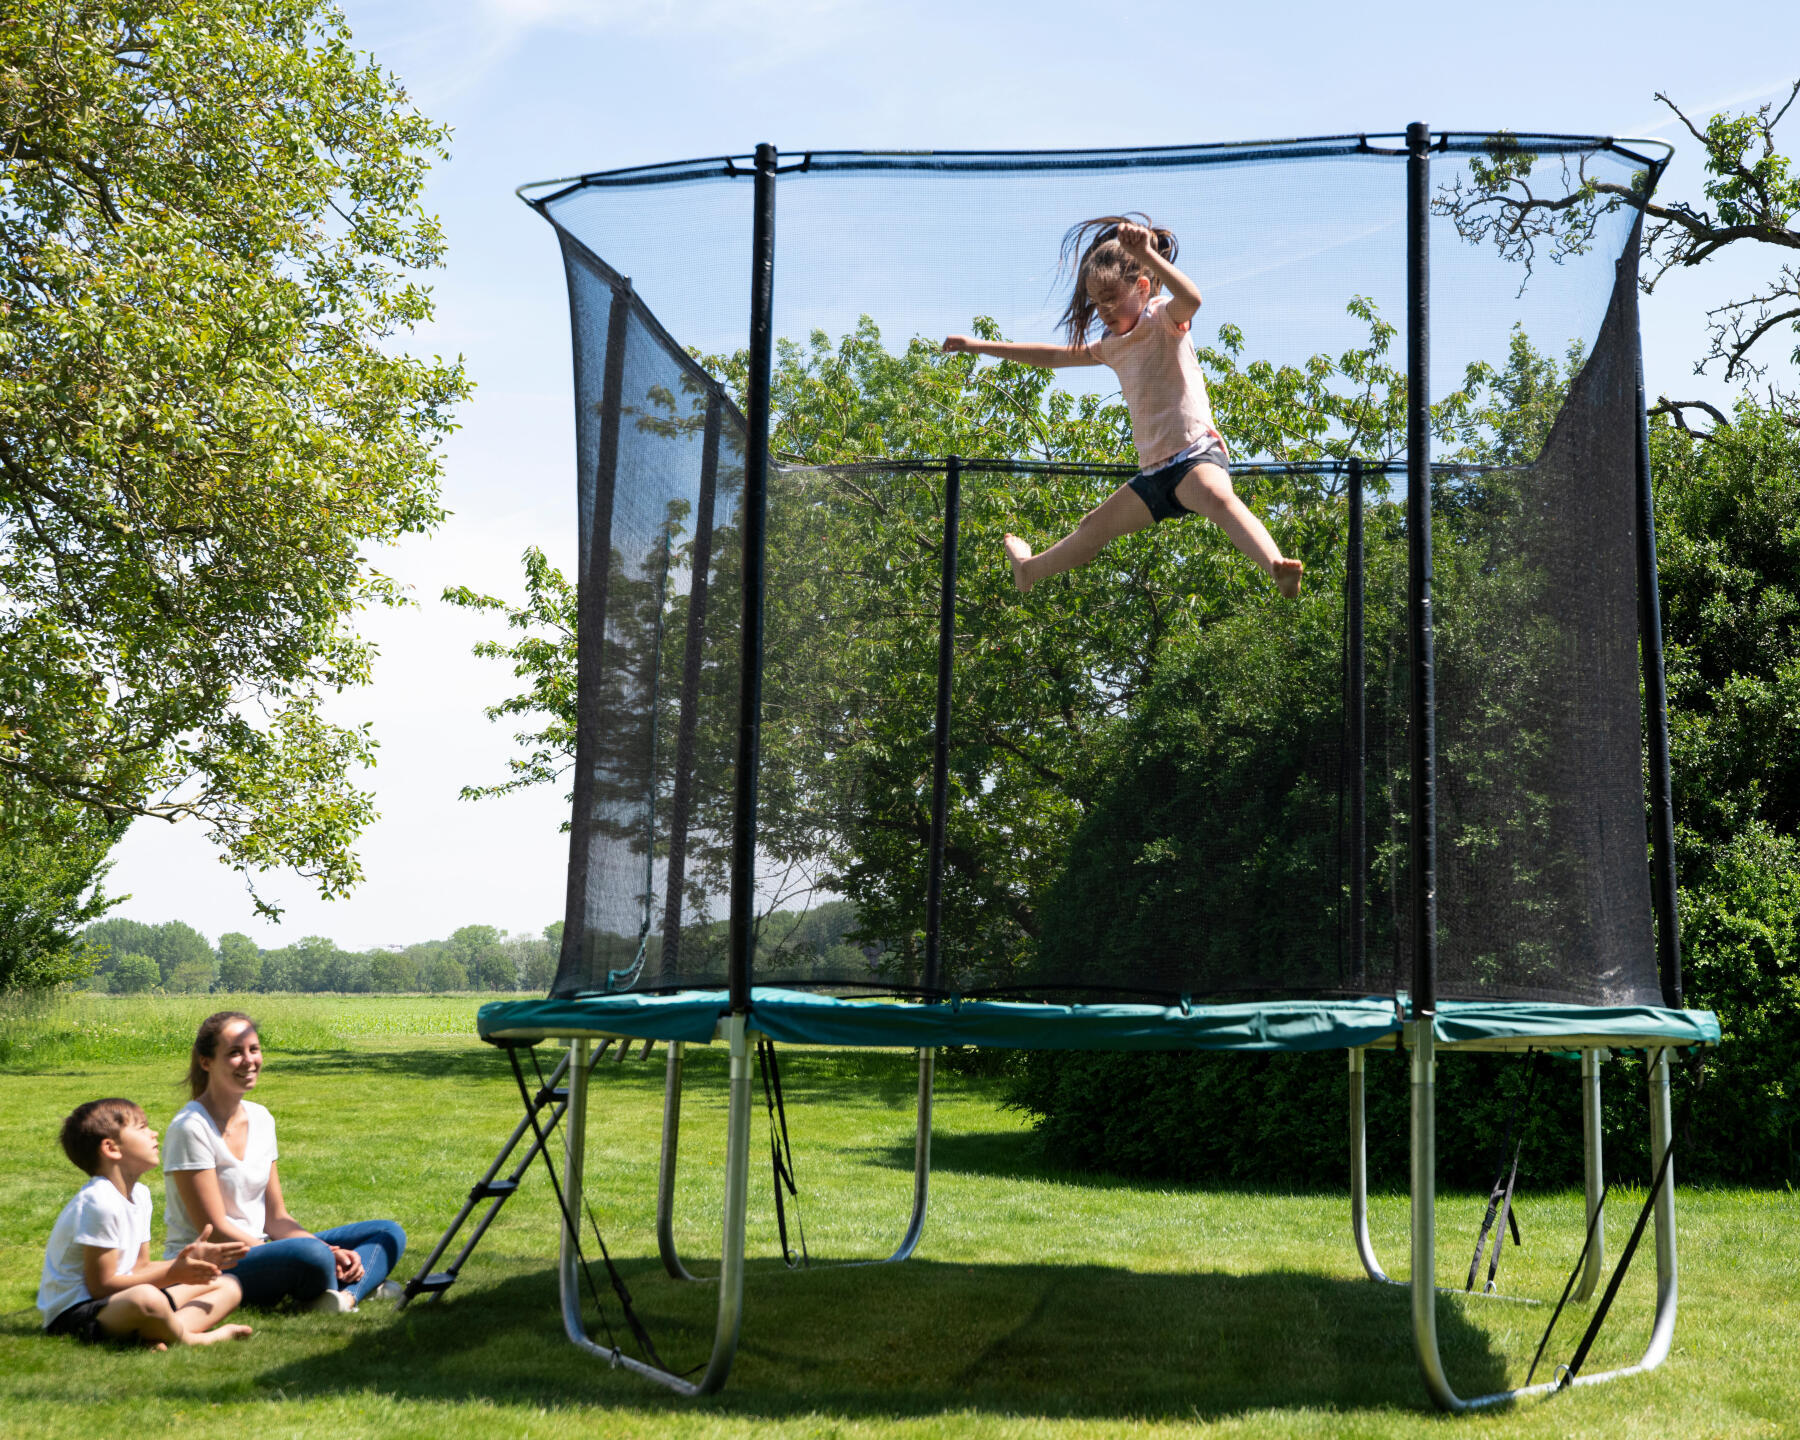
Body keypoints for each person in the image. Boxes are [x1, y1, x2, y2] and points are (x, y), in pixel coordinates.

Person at [943, 215, 1304, 598]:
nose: (1105, 310)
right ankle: (1029, 570)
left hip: (1194, 456)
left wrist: (1146, 252)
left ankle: (1275, 566)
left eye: (1112, 298)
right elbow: (1051, 356)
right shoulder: (1111, 346)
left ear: (1143, 287)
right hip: (1153, 475)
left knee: (1219, 499)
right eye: (1098, 303)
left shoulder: (1163, 318)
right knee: (1092, 529)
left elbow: (1193, 299)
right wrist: (978, 345)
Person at [162, 1011, 407, 1313]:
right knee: (309, 1255)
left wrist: (328, 1250)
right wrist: (316, 1252)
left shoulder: (261, 1118)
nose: (249, 1060)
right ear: (206, 1061)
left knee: (387, 1233)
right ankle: (353, 1284)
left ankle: (343, 1297)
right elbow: (216, 1228)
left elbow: (276, 1218)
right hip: (214, 1261)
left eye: (254, 1049)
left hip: (264, 1247)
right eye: (235, 1053)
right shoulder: (190, 1127)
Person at [38, 1097, 253, 1347]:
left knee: (227, 1285)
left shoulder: (140, 1194)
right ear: (111, 1148)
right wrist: (172, 1274)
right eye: (142, 1128)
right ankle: (191, 1338)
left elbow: (140, 1268)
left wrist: (189, 1263)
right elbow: (100, 1287)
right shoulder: (99, 1202)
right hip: (76, 1315)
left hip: (121, 1303)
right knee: (147, 1298)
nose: (154, 1133)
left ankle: (154, 1335)